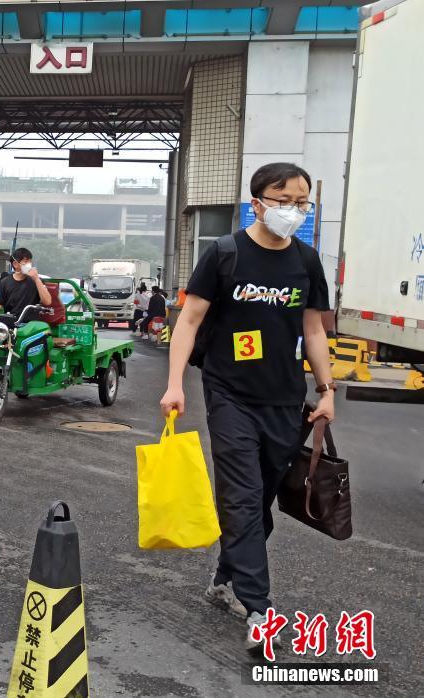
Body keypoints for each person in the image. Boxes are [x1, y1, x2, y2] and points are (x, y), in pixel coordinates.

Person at [159, 162, 335, 653]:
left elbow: (314, 330)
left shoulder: (306, 260)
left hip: (283, 397)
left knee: (258, 502)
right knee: (240, 494)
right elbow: (190, 322)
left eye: (302, 203)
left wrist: (326, 391)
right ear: (256, 202)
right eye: (284, 201)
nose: (294, 211)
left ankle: (224, 578)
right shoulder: (225, 254)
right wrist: (175, 384)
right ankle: (260, 607)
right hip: (229, 392)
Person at [0, 247, 51, 318]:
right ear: (15, 264)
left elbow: (47, 301)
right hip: (10, 322)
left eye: (30, 261)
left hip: (31, 325)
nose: (29, 264)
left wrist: (36, 279)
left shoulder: (36, 281)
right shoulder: (4, 282)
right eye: (26, 261)